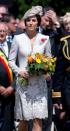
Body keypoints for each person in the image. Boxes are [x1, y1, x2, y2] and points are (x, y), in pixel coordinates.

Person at [9, 7, 51, 131]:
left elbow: (49, 60)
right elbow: (11, 61)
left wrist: (47, 71)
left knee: (38, 120)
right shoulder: (18, 39)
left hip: (39, 84)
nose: (31, 23)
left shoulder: (45, 39)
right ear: (25, 23)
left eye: (33, 20)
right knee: (24, 120)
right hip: (24, 84)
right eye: (28, 20)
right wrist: (19, 71)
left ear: (38, 22)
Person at [52, 13, 70, 131]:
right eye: (66, 24)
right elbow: (59, 72)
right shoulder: (65, 44)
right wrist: (57, 96)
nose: (68, 26)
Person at [0, 21, 15, 131]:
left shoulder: (13, 46)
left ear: (7, 33)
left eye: (3, 31)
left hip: (12, 91)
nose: (1, 33)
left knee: (8, 123)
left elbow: (20, 68)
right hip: (0, 89)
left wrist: (12, 87)